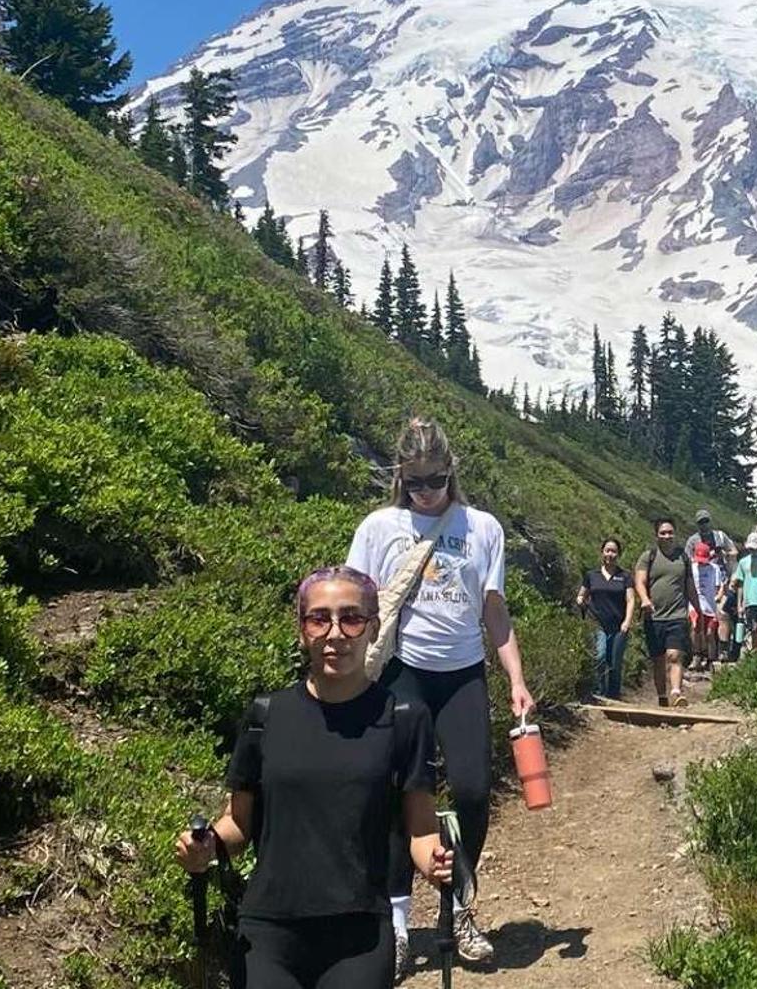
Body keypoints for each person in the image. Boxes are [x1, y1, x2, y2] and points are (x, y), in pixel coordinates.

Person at [174, 567, 455, 989]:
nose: (335, 633)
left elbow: (421, 832)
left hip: (360, 932)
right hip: (268, 930)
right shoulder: (266, 716)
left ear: (374, 627)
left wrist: (436, 864)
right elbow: (238, 824)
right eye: (319, 619)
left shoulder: (404, 719)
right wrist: (205, 846)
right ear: (302, 631)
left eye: (352, 618)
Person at [344, 418, 534, 970]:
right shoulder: (379, 527)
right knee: (403, 792)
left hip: (463, 672)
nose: (426, 492)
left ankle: (460, 904)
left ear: (452, 472)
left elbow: (494, 612)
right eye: (416, 482)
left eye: (436, 480)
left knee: (473, 790)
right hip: (402, 670)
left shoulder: (483, 528)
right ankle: (397, 922)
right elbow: (353, 601)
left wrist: (517, 680)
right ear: (400, 477)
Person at [634, 516, 698, 707]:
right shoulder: (648, 557)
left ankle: (676, 692)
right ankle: (662, 696)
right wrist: (645, 599)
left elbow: (690, 586)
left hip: (677, 615)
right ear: (656, 535)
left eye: (670, 532)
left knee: (674, 655)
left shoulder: (683, 558)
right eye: (663, 533)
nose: (667, 536)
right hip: (654, 616)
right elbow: (639, 581)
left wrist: (698, 610)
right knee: (658, 659)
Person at [575, 537, 635, 700]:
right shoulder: (591, 575)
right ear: (602, 552)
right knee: (600, 656)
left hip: (618, 625)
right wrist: (580, 600)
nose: (610, 554)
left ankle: (614, 695)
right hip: (596, 622)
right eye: (607, 550)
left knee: (614, 662)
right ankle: (598, 692)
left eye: (614, 551)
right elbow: (582, 594)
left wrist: (627, 621)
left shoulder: (625, 576)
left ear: (619, 554)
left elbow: (630, 600)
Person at [688, 540, 724, 672]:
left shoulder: (714, 569)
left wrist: (719, 596)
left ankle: (710, 658)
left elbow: (720, 586)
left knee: (709, 633)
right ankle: (696, 655)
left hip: (710, 606)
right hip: (695, 605)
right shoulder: (691, 568)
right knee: (695, 628)